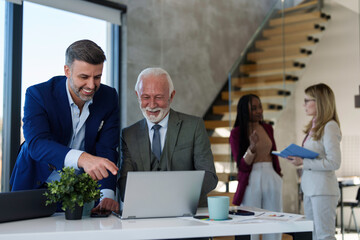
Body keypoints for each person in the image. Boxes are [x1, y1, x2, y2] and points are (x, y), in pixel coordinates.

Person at [10, 39, 120, 212]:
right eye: (84, 77)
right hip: (34, 182)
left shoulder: (109, 97)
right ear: (67, 71)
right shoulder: (38, 94)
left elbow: (107, 148)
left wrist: (106, 195)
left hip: (74, 192)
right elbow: (37, 144)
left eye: (97, 77)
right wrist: (83, 158)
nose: (91, 85)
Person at [118, 67, 218, 206]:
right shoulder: (128, 135)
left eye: (159, 97)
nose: (152, 105)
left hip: (189, 214)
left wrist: (174, 195)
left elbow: (209, 176)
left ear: (171, 96)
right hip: (145, 215)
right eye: (145, 97)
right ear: (137, 95)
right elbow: (124, 185)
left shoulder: (194, 126)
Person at [288, 83, 341, 240]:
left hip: (323, 190)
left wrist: (303, 161)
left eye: (307, 100)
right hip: (310, 189)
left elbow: (334, 162)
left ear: (319, 102)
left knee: (324, 236)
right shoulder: (314, 126)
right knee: (314, 235)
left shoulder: (330, 126)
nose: (304, 104)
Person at [230, 94, 282, 240]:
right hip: (251, 178)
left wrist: (278, 175)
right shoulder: (236, 133)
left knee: (274, 220)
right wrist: (251, 148)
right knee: (250, 221)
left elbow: (274, 154)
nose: (259, 111)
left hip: (270, 175)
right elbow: (241, 166)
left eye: (260, 106)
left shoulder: (267, 128)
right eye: (254, 108)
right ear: (244, 111)